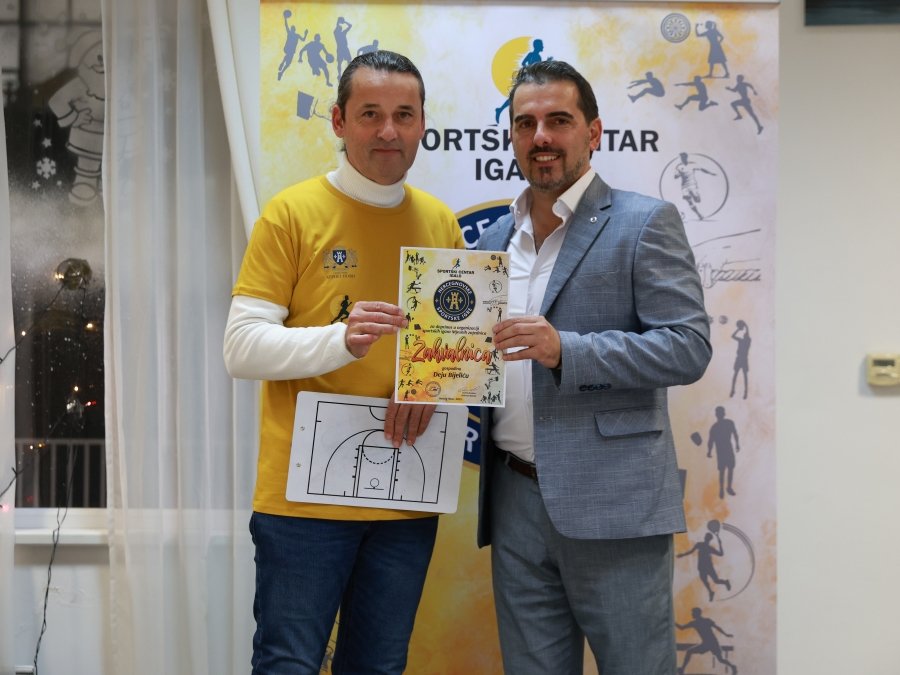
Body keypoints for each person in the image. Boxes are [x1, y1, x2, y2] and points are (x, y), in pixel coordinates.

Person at [224, 50, 465, 675]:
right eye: (370, 114)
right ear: (338, 121)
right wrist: (340, 340)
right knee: (289, 664)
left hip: (405, 497)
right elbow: (241, 347)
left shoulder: (440, 222)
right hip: (303, 505)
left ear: (422, 124)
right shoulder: (291, 213)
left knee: (379, 666)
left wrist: (431, 384)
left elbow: (453, 349)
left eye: (404, 115)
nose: (389, 130)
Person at [476, 60, 712, 675]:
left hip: (615, 504)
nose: (541, 137)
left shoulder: (644, 222)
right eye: (525, 123)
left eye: (558, 120)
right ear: (512, 135)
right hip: (513, 501)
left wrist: (568, 351)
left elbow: (687, 346)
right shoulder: (493, 240)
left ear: (594, 132)